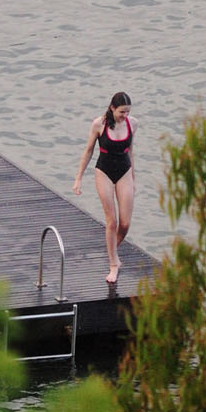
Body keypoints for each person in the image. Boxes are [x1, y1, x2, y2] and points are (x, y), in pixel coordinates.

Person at [71, 91, 135, 285]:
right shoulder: (99, 124)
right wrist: (78, 178)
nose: (125, 116)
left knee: (125, 224)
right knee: (112, 221)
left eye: (127, 112)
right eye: (122, 112)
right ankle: (113, 264)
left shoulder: (133, 123)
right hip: (104, 172)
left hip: (124, 171)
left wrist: (134, 176)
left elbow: (131, 151)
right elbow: (89, 150)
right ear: (112, 108)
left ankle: (111, 252)